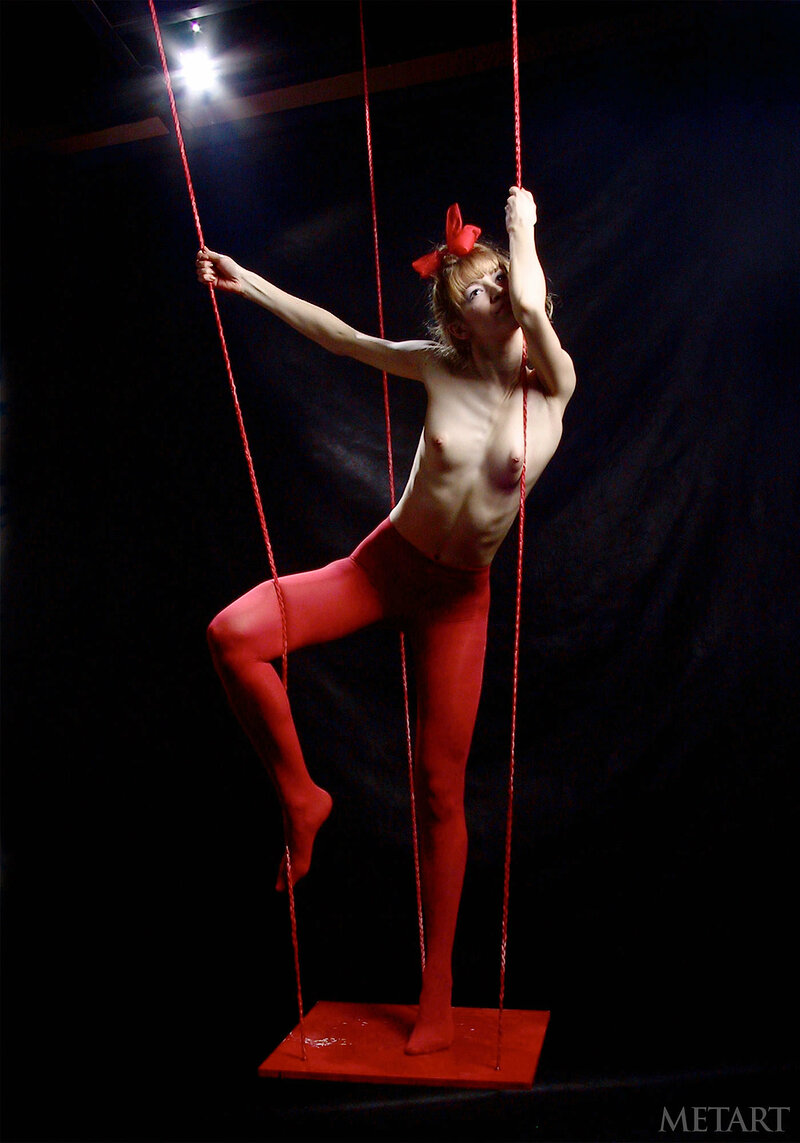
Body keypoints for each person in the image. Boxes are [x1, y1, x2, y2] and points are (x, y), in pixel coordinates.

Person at [198, 186, 575, 1055]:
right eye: (474, 291)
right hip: (386, 564)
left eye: (500, 281)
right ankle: (304, 797)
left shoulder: (553, 383)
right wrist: (250, 282)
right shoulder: (440, 366)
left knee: (440, 790)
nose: (496, 294)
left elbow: (529, 302)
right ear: (458, 322)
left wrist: (519, 231)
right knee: (234, 636)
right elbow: (340, 337)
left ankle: (436, 989)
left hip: (459, 599)